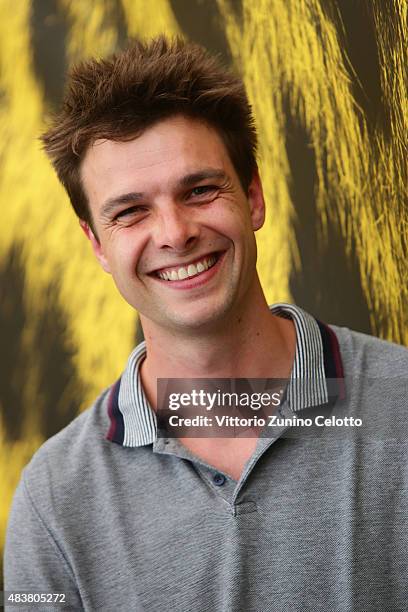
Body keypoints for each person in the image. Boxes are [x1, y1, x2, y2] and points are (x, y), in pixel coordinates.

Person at [4, 36, 408, 612]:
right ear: (96, 245)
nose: (174, 232)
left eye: (199, 190)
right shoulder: (53, 500)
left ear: (254, 196)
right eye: (130, 211)